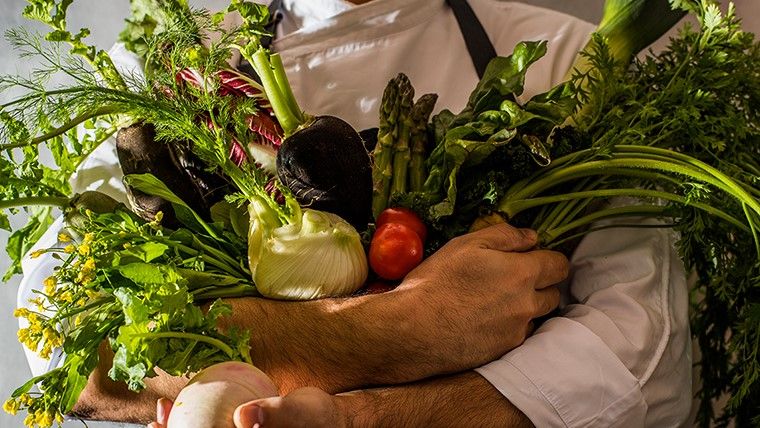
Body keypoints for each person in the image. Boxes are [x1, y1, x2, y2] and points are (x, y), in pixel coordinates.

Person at [17, 0, 693, 426]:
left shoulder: (566, 57)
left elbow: (642, 358)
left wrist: (360, 417)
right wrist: (401, 330)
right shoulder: (161, 71)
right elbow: (63, 346)